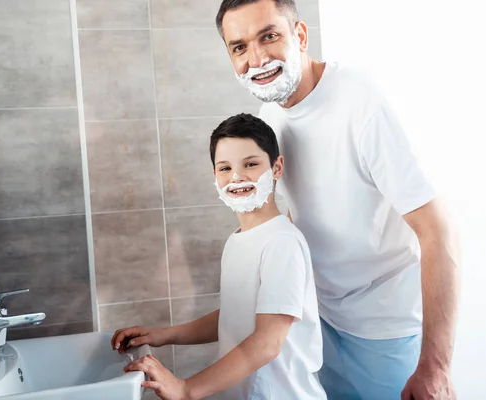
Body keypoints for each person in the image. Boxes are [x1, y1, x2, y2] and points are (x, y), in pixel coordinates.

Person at [216, 1, 461, 399]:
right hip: (323, 325)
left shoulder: (360, 102)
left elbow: (439, 233)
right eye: (239, 47)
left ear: (299, 35)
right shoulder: (270, 117)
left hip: (385, 330)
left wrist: (436, 366)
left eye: (269, 36)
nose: (256, 58)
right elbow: (296, 218)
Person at [111, 113, 327, 400]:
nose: (236, 177)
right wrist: (163, 335)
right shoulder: (238, 239)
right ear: (214, 176)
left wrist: (186, 389)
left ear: (276, 168)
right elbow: (235, 316)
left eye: (250, 164)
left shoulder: (282, 243)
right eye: (225, 168)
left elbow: (266, 343)